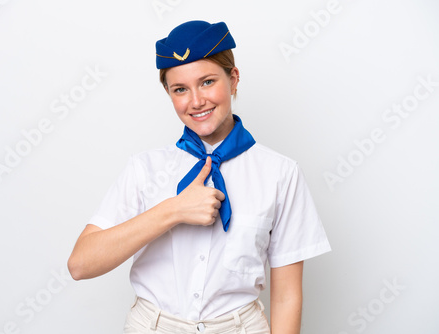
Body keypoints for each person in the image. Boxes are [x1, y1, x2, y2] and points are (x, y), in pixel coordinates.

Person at [68, 20, 331, 334]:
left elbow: (287, 295)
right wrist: (173, 210)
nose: (196, 101)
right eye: (180, 89)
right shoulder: (144, 168)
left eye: (207, 82)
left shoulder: (280, 173)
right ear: (169, 93)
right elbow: (80, 264)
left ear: (233, 79)